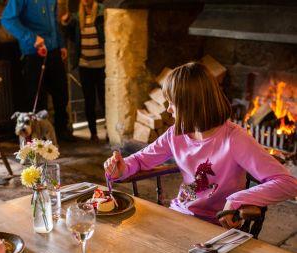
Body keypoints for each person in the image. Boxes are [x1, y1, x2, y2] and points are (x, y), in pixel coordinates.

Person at [104, 62, 297, 229]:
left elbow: (288, 183)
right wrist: (123, 167)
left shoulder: (234, 138)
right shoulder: (176, 133)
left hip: (216, 225)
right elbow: (140, 160)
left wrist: (238, 199)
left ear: (191, 105)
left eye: (172, 103)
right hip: (178, 215)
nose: (168, 109)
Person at [1, 0, 74, 142]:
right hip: (33, 52)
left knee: (61, 93)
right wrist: (32, 37)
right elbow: (7, 20)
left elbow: (53, 21)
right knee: (37, 98)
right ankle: (38, 139)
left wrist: (61, 44)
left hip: (54, 50)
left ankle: (61, 131)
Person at [61, 0, 105, 142]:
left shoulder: (101, 13)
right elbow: (67, 35)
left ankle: (110, 131)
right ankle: (93, 133)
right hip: (85, 66)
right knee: (89, 101)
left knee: (105, 101)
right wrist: (64, 23)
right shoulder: (76, 18)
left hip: (102, 65)